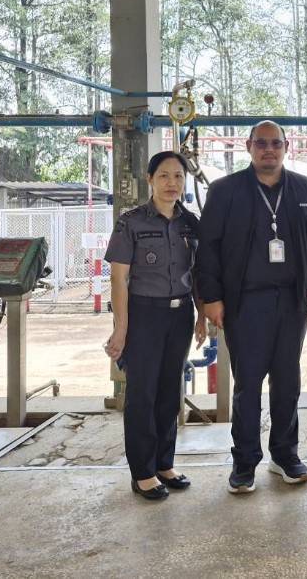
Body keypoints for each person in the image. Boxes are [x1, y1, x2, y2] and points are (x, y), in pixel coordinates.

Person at [196, 121, 307, 494]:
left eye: (275, 144)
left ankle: (285, 455)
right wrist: (212, 298)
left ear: (286, 147)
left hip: (292, 301)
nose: (268, 150)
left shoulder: (304, 189)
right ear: (248, 146)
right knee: (248, 385)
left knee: (287, 383)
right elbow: (208, 249)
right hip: (245, 303)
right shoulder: (225, 191)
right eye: (261, 143)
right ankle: (244, 462)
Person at [104, 150, 204, 501]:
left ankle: (164, 463)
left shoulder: (190, 223)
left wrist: (201, 316)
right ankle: (143, 472)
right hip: (144, 314)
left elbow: (199, 273)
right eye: (164, 175)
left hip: (180, 315)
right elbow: (118, 279)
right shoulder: (131, 223)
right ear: (150, 180)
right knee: (142, 394)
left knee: (169, 391)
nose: (171, 183)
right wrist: (121, 328)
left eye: (178, 176)